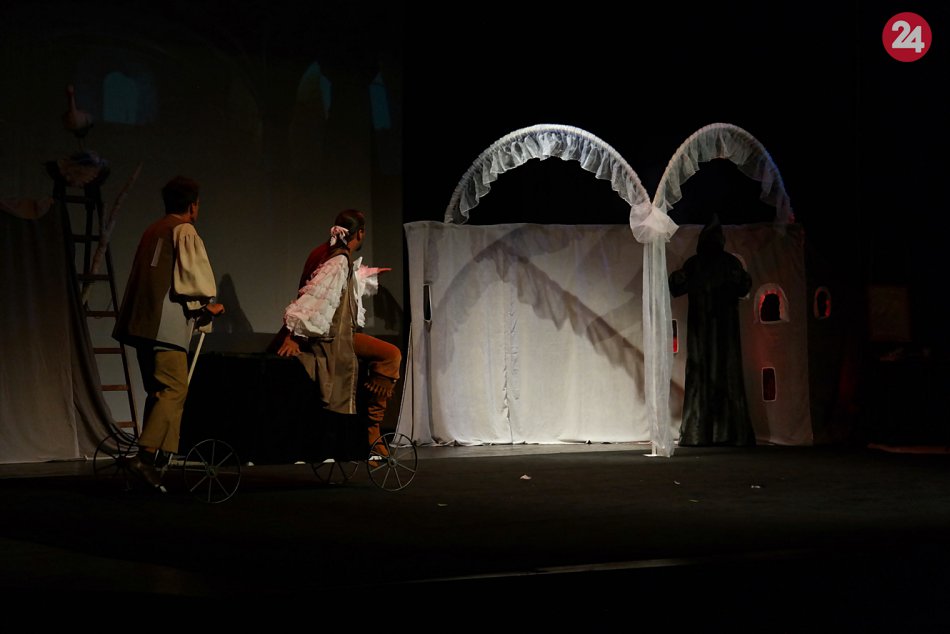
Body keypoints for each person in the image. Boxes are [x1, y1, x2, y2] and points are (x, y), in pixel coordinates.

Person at [113, 176, 224, 490]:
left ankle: (155, 459)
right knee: (175, 388)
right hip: (165, 326)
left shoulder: (153, 229)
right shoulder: (183, 230)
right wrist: (207, 304)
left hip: (143, 325)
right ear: (192, 206)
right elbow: (191, 278)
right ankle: (146, 457)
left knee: (159, 391)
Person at [272, 209, 401, 455]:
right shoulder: (338, 260)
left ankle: (367, 430)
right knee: (391, 355)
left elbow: (333, 285)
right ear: (359, 233)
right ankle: (372, 431)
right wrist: (293, 335)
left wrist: (365, 274)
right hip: (333, 338)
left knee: (385, 355)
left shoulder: (327, 253)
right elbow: (315, 297)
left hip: (334, 333)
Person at [668, 214, 755, 447]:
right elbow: (743, 285)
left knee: (705, 375)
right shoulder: (724, 263)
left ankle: (700, 433)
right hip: (717, 331)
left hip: (708, 331)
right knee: (720, 374)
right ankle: (726, 433)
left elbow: (676, 285)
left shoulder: (699, 264)